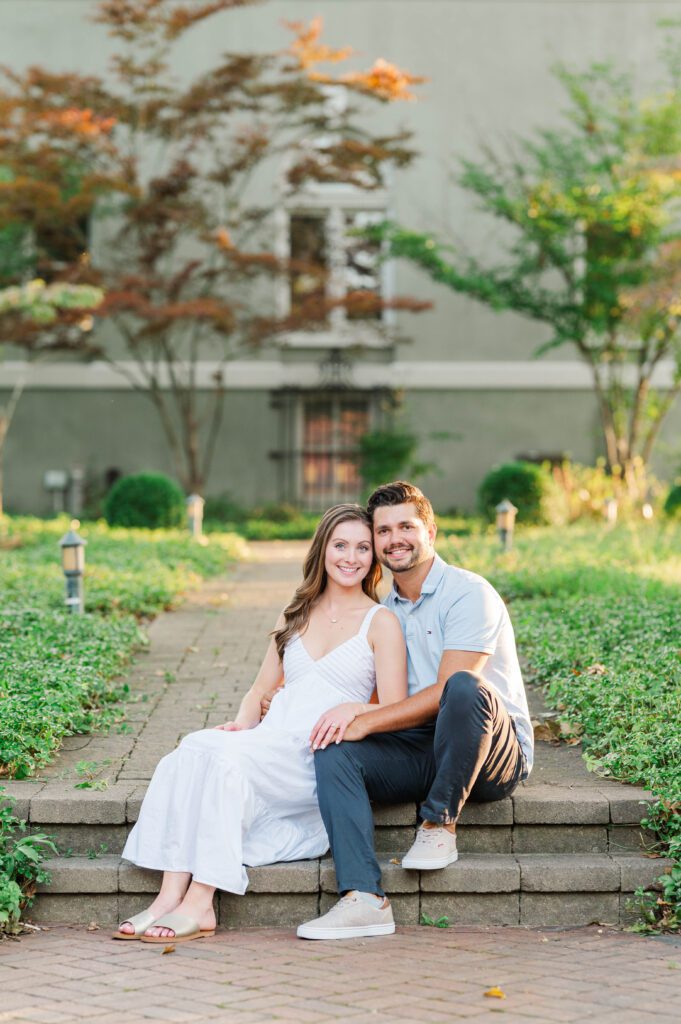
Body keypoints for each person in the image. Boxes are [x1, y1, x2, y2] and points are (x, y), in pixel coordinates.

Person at [113, 503, 407, 942]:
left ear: (373, 558)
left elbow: (395, 708)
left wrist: (354, 710)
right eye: (340, 545)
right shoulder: (295, 613)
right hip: (272, 738)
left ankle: (201, 901)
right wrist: (240, 725)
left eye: (363, 547)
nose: (351, 557)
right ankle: (166, 898)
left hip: (315, 756)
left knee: (224, 764)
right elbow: (259, 689)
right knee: (194, 748)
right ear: (322, 550)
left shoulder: (381, 622)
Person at [296, 481, 533, 940]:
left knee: (463, 686)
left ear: (431, 530)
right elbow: (383, 697)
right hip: (424, 747)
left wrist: (366, 720)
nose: (394, 538)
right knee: (336, 750)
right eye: (383, 531)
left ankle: (439, 822)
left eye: (406, 526)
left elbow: (449, 689)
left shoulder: (469, 593)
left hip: (490, 754)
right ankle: (364, 898)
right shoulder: (385, 612)